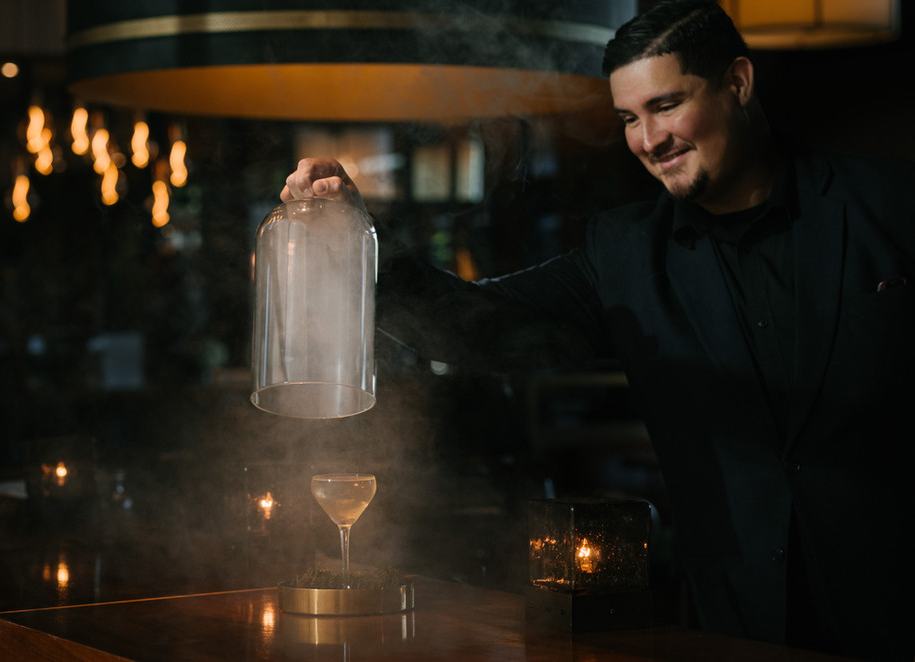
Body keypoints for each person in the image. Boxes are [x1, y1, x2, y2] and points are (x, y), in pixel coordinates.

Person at [281, 1, 915, 659]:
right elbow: (479, 328)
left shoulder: (893, 206)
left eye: (666, 106)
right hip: (739, 622)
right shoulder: (626, 255)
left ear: (738, 83)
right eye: (628, 119)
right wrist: (354, 240)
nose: (648, 140)